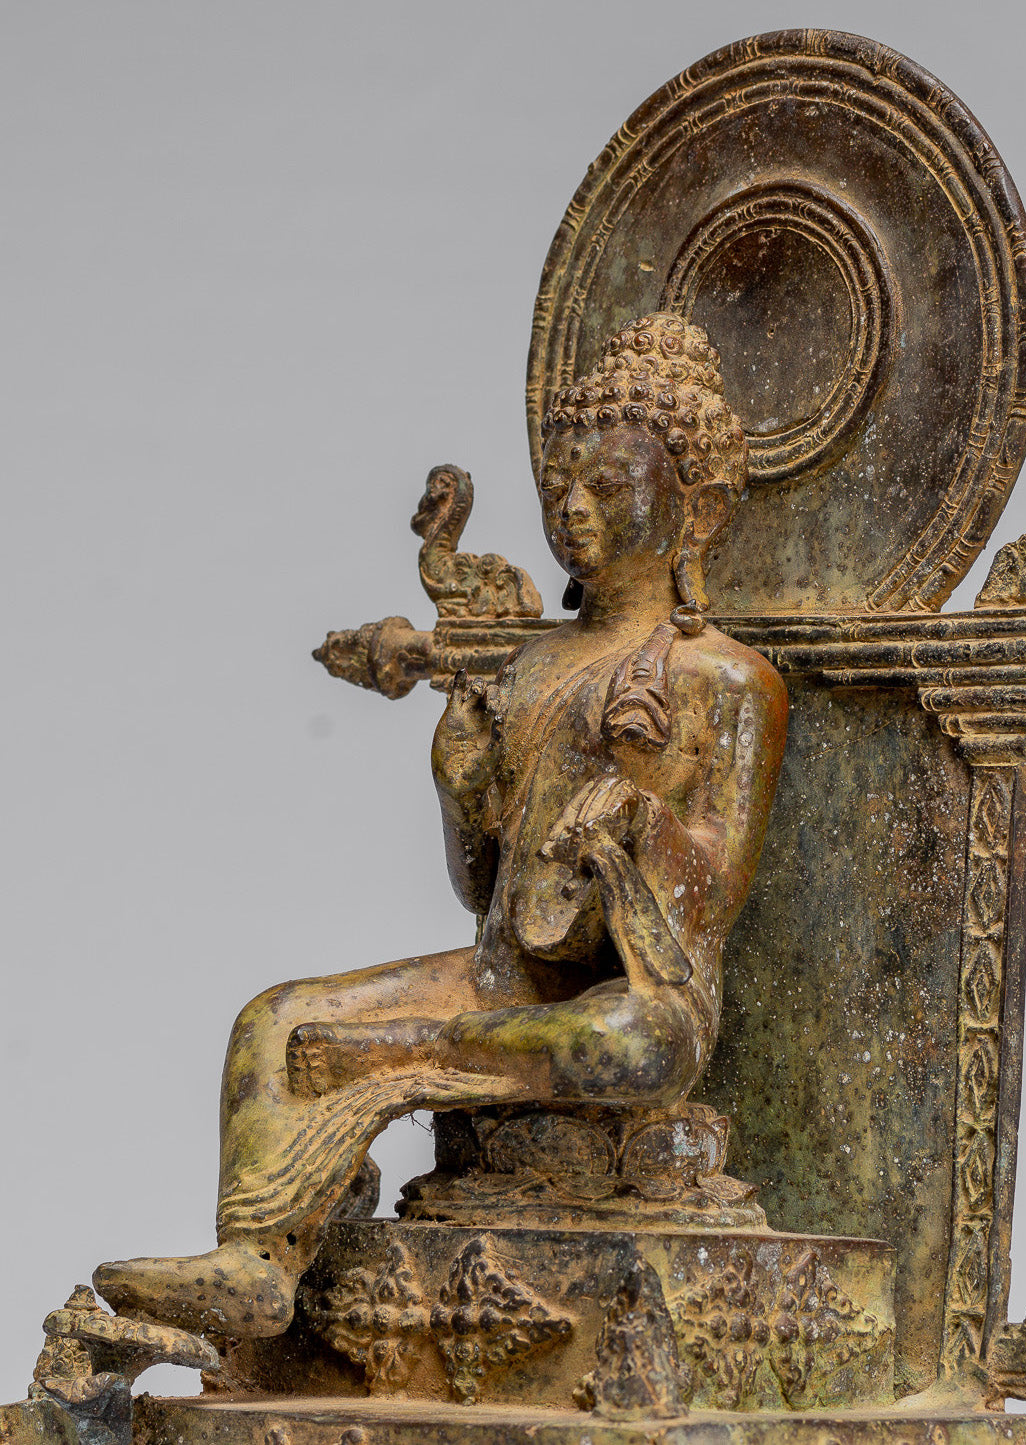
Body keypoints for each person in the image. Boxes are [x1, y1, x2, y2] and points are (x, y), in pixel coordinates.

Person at [93, 313, 789, 1339]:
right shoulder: (531, 666)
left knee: (622, 1040)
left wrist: (642, 815)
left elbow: (711, 901)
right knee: (271, 1018)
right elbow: (484, 889)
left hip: (639, 995)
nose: (573, 507)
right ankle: (257, 1255)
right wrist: (458, 789)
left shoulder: (727, 681)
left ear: (701, 505)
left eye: (606, 484)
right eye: (559, 484)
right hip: (506, 976)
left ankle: (393, 1051)